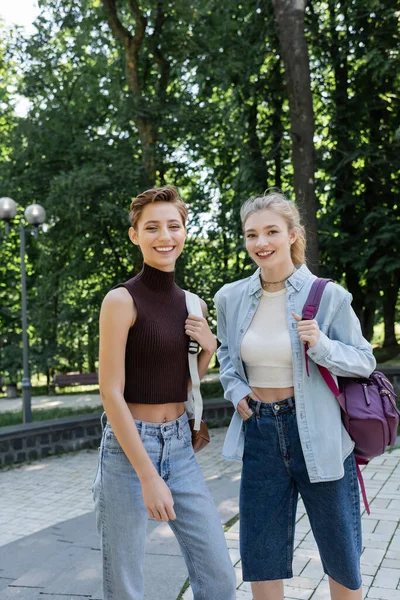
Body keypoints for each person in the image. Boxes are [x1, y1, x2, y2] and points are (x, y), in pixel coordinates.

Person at [214, 190, 376, 600]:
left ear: (292, 235)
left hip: (318, 433)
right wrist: (235, 392)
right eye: (252, 235)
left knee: (341, 554)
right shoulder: (230, 298)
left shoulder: (329, 296)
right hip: (260, 430)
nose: (261, 243)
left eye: (271, 231)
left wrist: (321, 344)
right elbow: (228, 358)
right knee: (262, 554)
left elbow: (364, 361)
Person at [92, 186, 236, 600]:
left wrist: (209, 349)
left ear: (185, 232)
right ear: (135, 235)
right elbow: (110, 391)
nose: (164, 236)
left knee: (218, 577)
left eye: (174, 226)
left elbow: (183, 385)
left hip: (179, 446)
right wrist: (147, 475)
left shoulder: (194, 305)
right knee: (125, 585)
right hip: (127, 452)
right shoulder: (120, 300)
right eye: (152, 227)